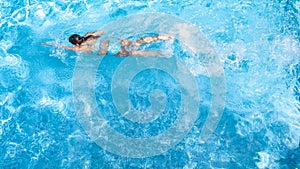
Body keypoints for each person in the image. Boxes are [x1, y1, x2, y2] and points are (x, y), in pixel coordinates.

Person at [42, 29, 172, 57]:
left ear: (76, 43)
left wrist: (50, 44)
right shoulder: (88, 35)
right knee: (139, 41)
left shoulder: (80, 49)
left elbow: (62, 46)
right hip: (116, 42)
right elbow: (104, 31)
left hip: (115, 51)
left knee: (137, 52)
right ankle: (162, 37)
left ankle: (162, 54)